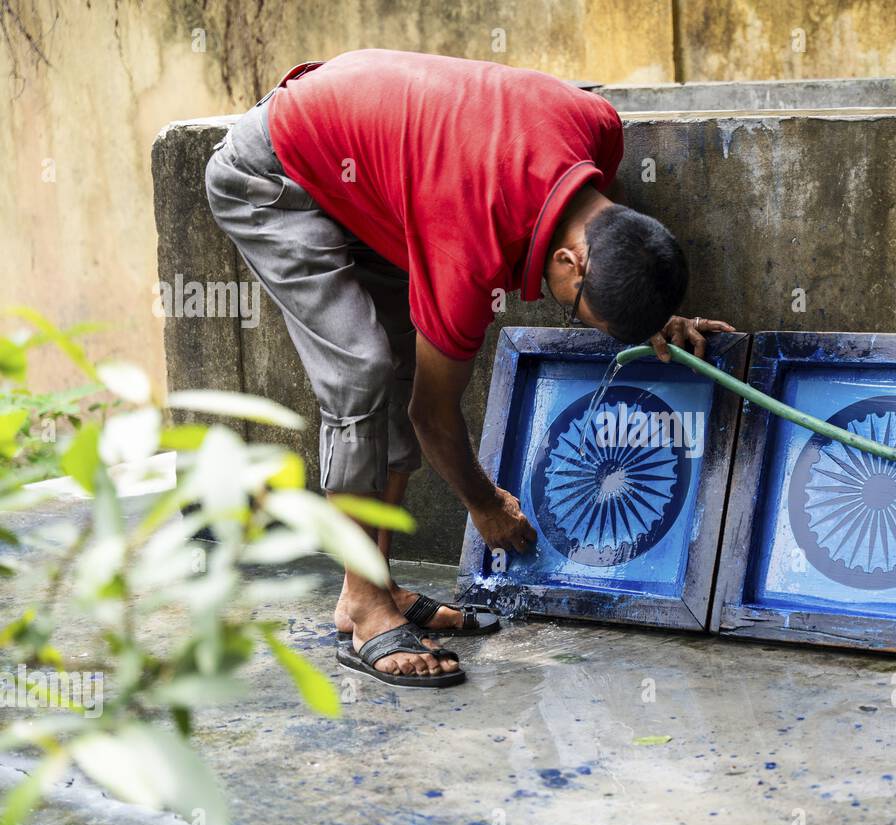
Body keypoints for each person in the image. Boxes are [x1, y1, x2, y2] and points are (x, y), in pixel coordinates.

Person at [205, 49, 733, 688]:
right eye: (581, 313)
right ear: (567, 262)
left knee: (395, 364)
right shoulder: (470, 246)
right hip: (275, 177)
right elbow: (432, 416)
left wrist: (647, 315)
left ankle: (377, 587)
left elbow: (611, 220)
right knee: (364, 374)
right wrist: (484, 505)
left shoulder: (596, 125)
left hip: (366, 160)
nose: (568, 310)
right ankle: (363, 605)